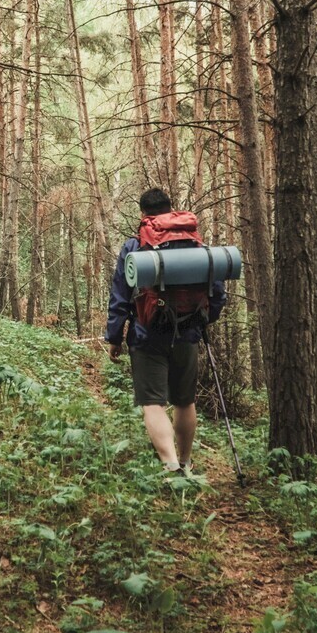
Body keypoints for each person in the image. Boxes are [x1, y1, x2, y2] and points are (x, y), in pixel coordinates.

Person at [105, 187, 227, 477]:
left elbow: (120, 295)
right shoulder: (195, 244)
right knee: (185, 400)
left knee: (153, 402)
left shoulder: (134, 247)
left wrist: (114, 336)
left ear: (143, 214)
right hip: (188, 333)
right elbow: (217, 291)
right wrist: (202, 321)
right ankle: (186, 461)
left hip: (146, 334)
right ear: (171, 210)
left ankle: (170, 464)